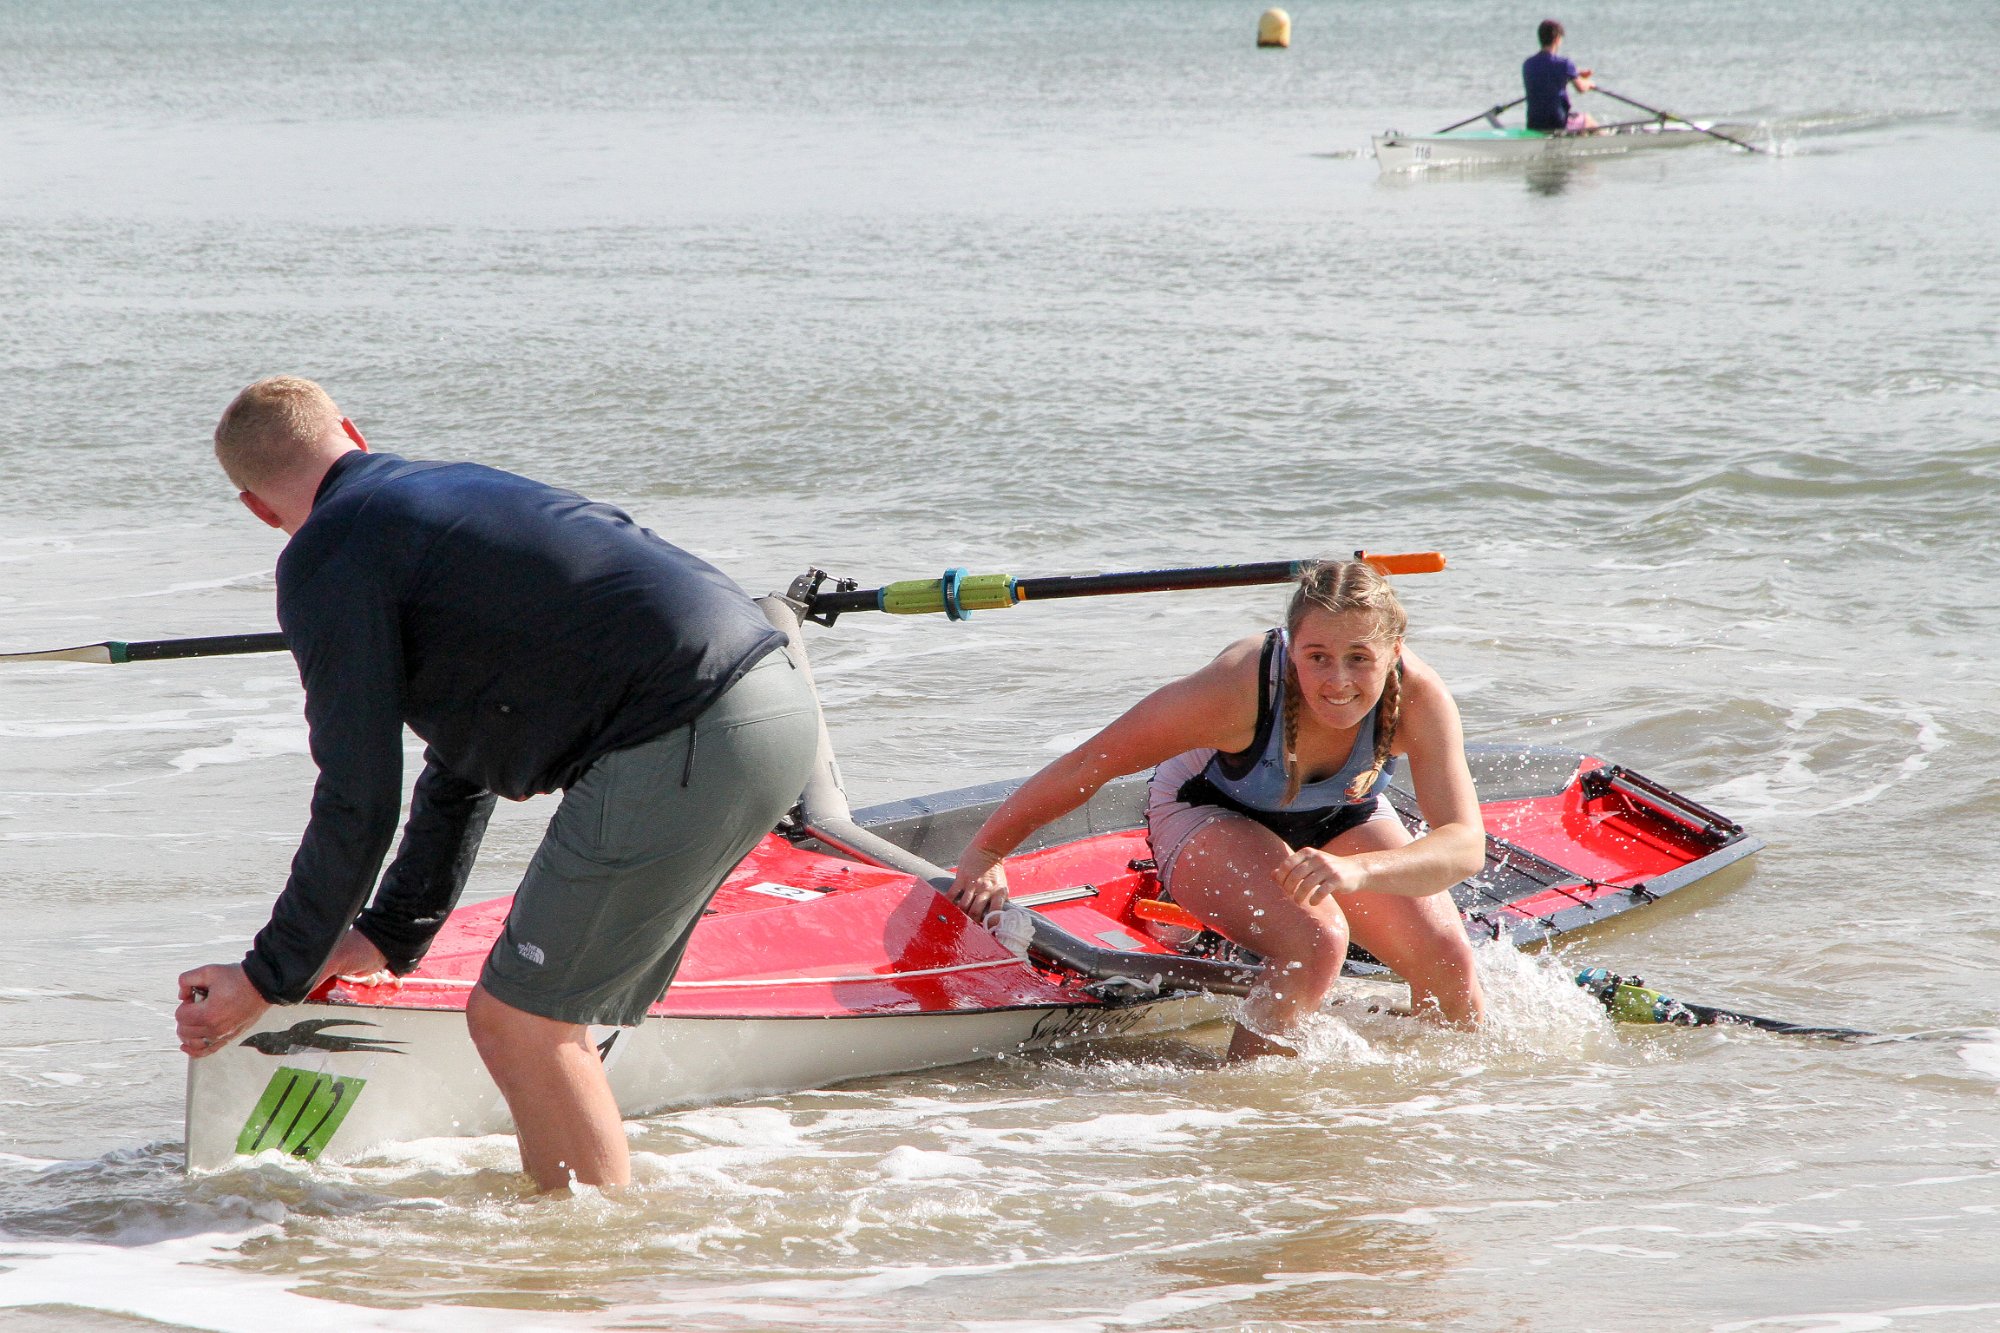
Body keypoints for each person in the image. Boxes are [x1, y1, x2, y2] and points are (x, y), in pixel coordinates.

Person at [173, 376, 819, 1192]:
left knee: (522, 1023)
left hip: (684, 734)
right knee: (539, 1015)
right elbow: (461, 754)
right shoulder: (449, 497)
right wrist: (390, 934)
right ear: (354, 430)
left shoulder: (325, 555)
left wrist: (269, 974)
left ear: (259, 510)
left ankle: (582, 1277)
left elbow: (356, 795)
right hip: (779, 702)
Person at [947, 560, 1487, 1059]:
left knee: (1449, 961)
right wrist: (987, 851)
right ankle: (1247, 1123)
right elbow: (1091, 763)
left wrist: (1359, 870)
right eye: (1317, 656)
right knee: (1314, 942)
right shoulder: (1237, 686)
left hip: (1344, 814)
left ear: (1394, 651)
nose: (1337, 681)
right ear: (1290, 645)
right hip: (1207, 807)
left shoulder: (1420, 696)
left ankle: (1437, 1114)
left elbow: (1464, 845)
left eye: (1359, 659)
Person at [1523, 19, 1597, 132]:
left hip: (1534, 123)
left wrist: (1576, 73)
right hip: (1558, 122)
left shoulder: (1528, 64)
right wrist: (1589, 84)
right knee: (1588, 120)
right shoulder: (1565, 63)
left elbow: (1547, 72)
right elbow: (1581, 89)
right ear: (1557, 39)